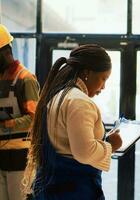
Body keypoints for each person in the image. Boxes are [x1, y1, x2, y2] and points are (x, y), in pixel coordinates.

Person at [22, 44, 122, 199]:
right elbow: (84, 152)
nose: (103, 87)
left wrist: (103, 141)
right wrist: (112, 146)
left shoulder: (59, 95)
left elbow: (67, 144)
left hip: (52, 189)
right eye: (103, 78)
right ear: (87, 72)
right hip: (74, 190)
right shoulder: (79, 101)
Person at [0, 24, 40, 200]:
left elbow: (35, 118)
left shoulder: (26, 79)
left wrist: (10, 123)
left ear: (5, 52)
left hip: (20, 156)